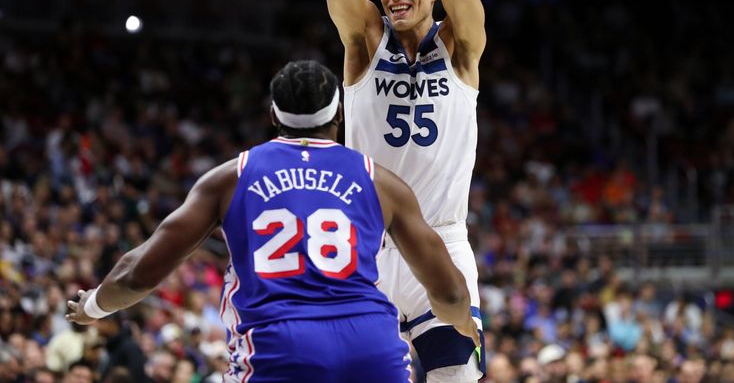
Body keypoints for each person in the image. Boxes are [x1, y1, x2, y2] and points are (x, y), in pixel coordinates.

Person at [66, 60, 478, 383]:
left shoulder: (229, 177)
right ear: (339, 117)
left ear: (273, 114)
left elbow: (139, 274)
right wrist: (462, 321)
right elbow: (449, 291)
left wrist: (92, 306)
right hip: (370, 348)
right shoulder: (382, 181)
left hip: (279, 345)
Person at [270, 0, 487, 381]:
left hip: (441, 240)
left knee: (456, 377)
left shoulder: (461, 46)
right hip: (367, 245)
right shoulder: (364, 41)